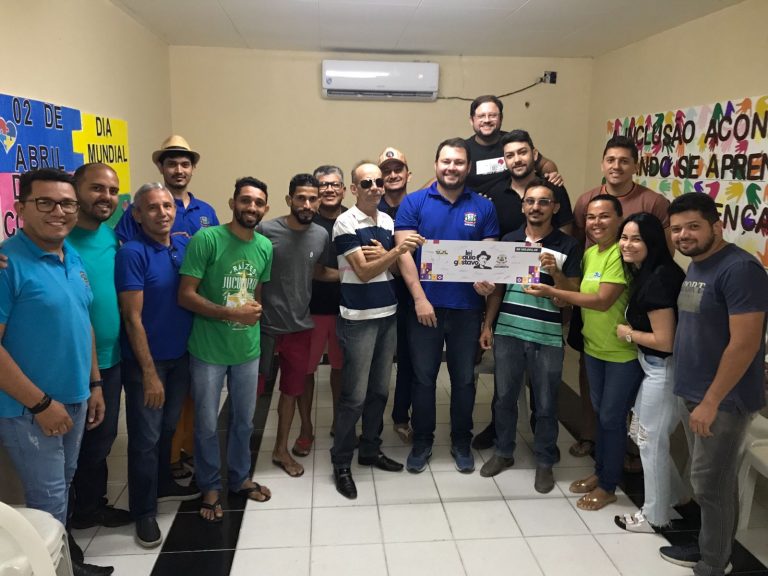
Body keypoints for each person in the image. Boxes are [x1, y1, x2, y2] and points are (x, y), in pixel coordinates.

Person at [0, 168, 112, 576]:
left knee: (62, 488)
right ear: (20, 207)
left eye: (67, 204)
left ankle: (67, 565)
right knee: (46, 501)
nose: (58, 211)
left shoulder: (70, 255)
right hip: (30, 410)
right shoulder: (7, 265)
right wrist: (41, 404)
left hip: (76, 398)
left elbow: (84, 322)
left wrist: (94, 383)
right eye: (45, 202)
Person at [659, 193, 768, 575]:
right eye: (677, 229)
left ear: (716, 227)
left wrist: (711, 401)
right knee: (709, 480)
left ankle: (713, 563)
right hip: (694, 392)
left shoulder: (740, 270)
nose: (683, 235)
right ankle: (711, 547)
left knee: (710, 484)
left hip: (722, 400)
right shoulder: (698, 264)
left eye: (693, 226)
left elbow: (745, 344)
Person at [525, 195, 642, 510]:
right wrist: (559, 286)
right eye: (591, 217)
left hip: (621, 352)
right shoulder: (591, 253)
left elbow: (602, 301)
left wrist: (552, 291)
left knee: (612, 418)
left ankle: (608, 485)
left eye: (604, 216)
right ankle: (601, 472)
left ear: (619, 219)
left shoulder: (620, 254)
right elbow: (577, 292)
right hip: (594, 347)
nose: (596, 223)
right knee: (602, 416)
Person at [395, 138, 499, 474]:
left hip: (467, 309)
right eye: (446, 161)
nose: (451, 167)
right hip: (425, 308)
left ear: (467, 167)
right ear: (436, 164)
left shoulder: (483, 207)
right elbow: (404, 255)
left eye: (458, 162)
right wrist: (419, 298)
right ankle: (423, 440)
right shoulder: (413, 203)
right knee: (423, 379)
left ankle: (460, 441)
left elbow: (489, 255)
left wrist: (487, 282)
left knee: (464, 380)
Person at [567, 134, 671, 459]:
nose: (616, 166)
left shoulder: (653, 203)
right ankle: (591, 436)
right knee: (590, 373)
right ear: (602, 164)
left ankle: (627, 448)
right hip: (591, 295)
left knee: (627, 384)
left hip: (632, 305)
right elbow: (578, 244)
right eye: (611, 160)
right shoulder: (586, 199)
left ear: (635, 166)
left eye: (624, 161)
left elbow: (663, 254)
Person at [178, 177, 273, 522]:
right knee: (206, 424)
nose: (251, 207)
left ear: (266, 208)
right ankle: (210, 487)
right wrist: (231, 314)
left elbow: (257, 294)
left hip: (247, 348)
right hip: (208, 350)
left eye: (258, 202)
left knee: (244, 421)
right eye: (245, 200)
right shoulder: (207, 239)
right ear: (233, 203)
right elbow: (185, 295)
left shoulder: (265, 246)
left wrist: (251, 317)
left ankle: (240, 478)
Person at [479, 178, 581, 494]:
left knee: (547, 403)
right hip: (508, 331)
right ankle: (503, 452)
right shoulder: (509, 240)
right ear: (523, 207)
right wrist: (488, 325)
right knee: (504, 398)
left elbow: (573, 294)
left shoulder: (567, 245)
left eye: (543, 202)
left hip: (546, 336)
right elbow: (499, 289)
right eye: (531, 202)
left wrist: (556, 272)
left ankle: (545, 461)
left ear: (555, 207)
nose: (536, 207)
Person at [330, 162, 424, 499]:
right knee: (353, 397)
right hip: (358, 318)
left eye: (378, 182)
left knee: (380, 392)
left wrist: (387, 256)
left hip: (388, 314)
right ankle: (341, 462)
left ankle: (370, 449)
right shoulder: (345, 222)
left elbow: (393, 271)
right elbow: (365, 272)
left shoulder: (387, 221)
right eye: (366, 182)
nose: (374, 187)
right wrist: (396, 251)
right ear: (354, 189)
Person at [116, 183, 198, 547]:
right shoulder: (132, 254)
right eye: (152, 207)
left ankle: (163, 483)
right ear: (137, 214)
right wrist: (149, 373)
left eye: (167, 206)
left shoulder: (180, 246)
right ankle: (143, 511)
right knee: (145, 439)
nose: (162, 213)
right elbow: (132, 318)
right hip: (148, 364)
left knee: (167, 429)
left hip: (180, 357)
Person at [612, 213, 687, 533]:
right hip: (654, 368)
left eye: (636, 239)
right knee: (642, 434)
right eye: (624, 237)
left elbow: (666, 341)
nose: (627, 245)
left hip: (664, 370)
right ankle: (675, 496)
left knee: (650, 441)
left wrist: (628, 333)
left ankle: (655, 516)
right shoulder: (651, 272)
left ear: (652, 242)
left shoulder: (659, 279)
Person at [258, 174, 336, 478]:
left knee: (291, 391)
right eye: (301, 198)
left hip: (300, 326)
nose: (307, 204)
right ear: (289, 199)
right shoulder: (266, 231)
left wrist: (354, 274)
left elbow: (317, 271)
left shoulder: (320, 235)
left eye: (312, 199)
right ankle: (237, 455)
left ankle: (281, 450)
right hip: (263, 327)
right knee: (251, 392)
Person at [67, 163, 131, 530]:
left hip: (111, 359)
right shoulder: (58, 238)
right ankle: (66, 520)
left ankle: (91, 508)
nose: (106, 197)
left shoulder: (110, 237)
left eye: (112, 190)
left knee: (101, 438)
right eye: (97, 188)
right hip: (71, 364)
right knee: (70, 448)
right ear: (75, 190)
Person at [377, 146, 416, 443]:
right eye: (386, 171)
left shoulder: (418, 208)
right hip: (376, 296)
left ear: (407, 174)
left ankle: (401, 416)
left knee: (408, 359)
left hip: (409, 295)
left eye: (397, 169)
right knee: (375, 362)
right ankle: (370, 422)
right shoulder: (369, 210)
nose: (392, 175)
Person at [305, 165, 346, 435]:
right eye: (323, 184)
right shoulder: (306, 221)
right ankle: (305, 428)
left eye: (335, 184)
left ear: (344, 189)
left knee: (340, 369)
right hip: (311, 310)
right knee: (305, 371)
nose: (329, 189)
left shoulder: (354, 219)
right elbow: (310, 269)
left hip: (346, 311)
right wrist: (352, 273)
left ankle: (339, 423)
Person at [115, 135, 219, 242]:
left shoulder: (207, 211)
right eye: (172, 164)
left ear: (193, 168)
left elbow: (217, 247)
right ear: (160, 167)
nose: (179, 171)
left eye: (185, 165)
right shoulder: (140, 209)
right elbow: (122, 246)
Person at [464, 95, 557, 197]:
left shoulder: (512, 142)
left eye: (492, 115)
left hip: (513, 203)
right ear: (471, 120)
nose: (487, 120)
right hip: (479, 206)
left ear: (501, 118)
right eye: (481, 116)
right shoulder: (464, 150)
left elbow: (545, 164)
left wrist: (552, 175)